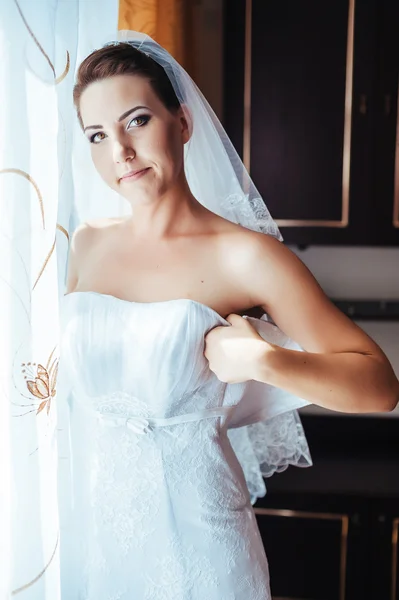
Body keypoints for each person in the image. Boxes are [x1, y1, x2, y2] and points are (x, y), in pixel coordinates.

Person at [58, 30, 399, 599]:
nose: (119, 151)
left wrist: (264, 360)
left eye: (137, 120)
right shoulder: (85, 245)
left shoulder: (247, 256)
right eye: (97, 135)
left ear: (183, 123)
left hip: (201, 547)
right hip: (95, 534)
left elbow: (380, 385)